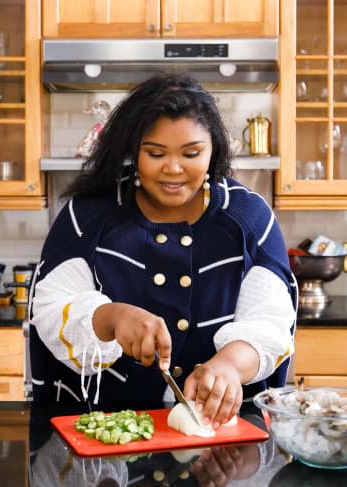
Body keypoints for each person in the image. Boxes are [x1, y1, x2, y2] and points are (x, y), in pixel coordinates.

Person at [29, 73, 297, 429]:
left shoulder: (248, 218)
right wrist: (112, 318)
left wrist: (230, 364)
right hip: (104, 442)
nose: (173, 168)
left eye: (192, 153)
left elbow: (271, 319)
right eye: (155, 153)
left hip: (222, 442)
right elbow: (49, 310)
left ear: (213, 149)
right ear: (132, 149)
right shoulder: (88, 217)